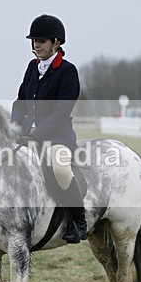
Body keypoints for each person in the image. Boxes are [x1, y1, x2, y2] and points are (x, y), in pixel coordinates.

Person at [10, 14, 87, 243]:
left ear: (56, 42)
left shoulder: (67, 71)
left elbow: (61, 113)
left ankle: (78, 222)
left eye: (41, 41)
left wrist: (36, 135)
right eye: (34, 41)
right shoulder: (32, 68)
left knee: (61, 170)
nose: (36, 45)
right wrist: (15, 128)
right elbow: (20, 101)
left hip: (57, 138)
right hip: (28, 137)